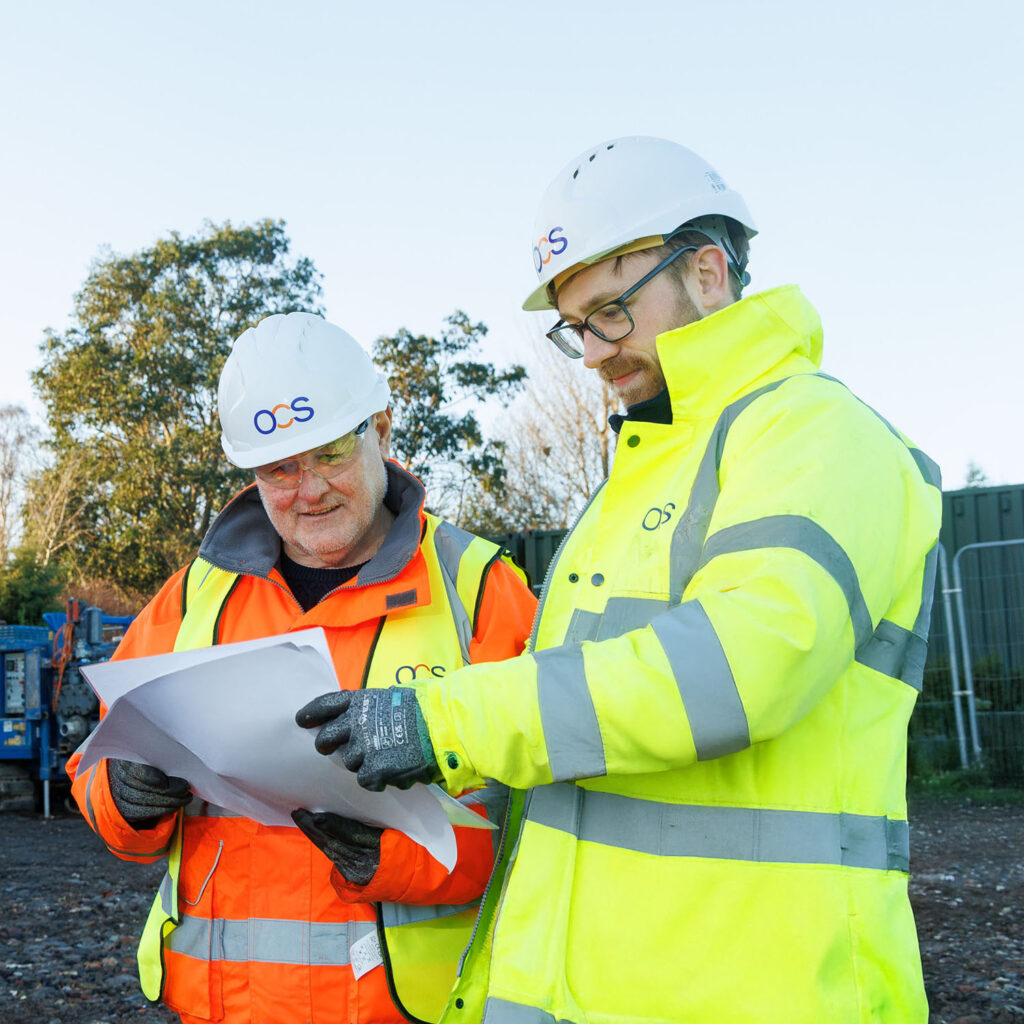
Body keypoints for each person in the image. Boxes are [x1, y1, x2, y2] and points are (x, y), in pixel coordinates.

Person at [296, 137, 943, 1023]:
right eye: (576, 328)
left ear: (709, 272)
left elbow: (738, 669)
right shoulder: (640, 478)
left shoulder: (818, 437)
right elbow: (571, 740)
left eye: (611, 312)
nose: (594, 353)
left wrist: (442, 716)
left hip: (757, 992)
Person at [67, 312, 537, 1024]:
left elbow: (539, 820)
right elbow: (98, 765)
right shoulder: (198, 592)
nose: (307, 489)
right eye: (280, 469)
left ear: (381, 431)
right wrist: (123, 796)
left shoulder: (479, 592)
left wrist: (396, 856)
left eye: (329, 454)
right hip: (219, 1011)